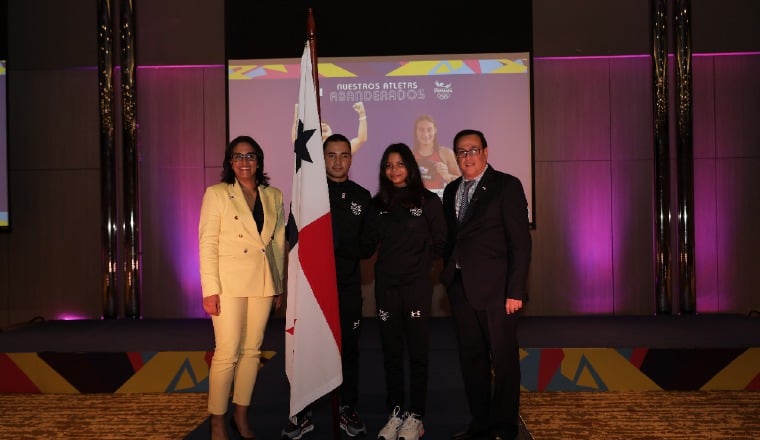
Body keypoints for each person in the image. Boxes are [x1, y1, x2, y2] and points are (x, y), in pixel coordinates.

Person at [280, 133, 377, 439]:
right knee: (308, 350)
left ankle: (347, 407)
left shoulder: (362, 196)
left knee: (348, 351)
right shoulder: (307, 195)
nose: (338, 161)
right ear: (322, 159)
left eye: (344, 155)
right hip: (311, 290)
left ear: (351, 158)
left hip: (346, 288)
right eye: (331, 155)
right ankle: (303, 411)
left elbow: (368, 246)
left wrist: (335, 245)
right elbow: (293, 239)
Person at [440, 129, 532, 440]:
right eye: (461, 152)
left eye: (473, 150)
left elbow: (521, 243)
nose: (467, 156)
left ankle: (504, 428)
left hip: (499, 293)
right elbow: (453, 238)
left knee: (504, 363)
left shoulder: (506, 186)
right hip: (462, 290)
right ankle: (480, 425)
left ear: (486, 152)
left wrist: (515, 291)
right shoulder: (452, 190)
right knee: (472, 362)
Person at [199, 135, 286, 440]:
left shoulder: (273, 195)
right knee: (227, 353)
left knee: (252, 352)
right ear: (230, 162)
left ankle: (241, 415)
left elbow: (276, 243)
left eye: (250, 156)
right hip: (228, 284)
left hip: (262, 282)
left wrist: (278, 285)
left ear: (259, 161)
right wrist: (210, 289)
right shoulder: (218, 194)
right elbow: (207, 243)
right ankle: (217, 422)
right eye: (238, 157)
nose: (244, 162)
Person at [372, 143, 446, 440]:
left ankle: (416, 415)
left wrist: (423, 268)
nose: (394, 170)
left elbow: (441, 241)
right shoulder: (378, 204)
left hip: (416, 288)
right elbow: (366, 242)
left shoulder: (428, 201)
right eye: (389, 165)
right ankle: (396, 412)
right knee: (391, 353)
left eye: (400, 164)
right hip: (386, 289)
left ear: (411, 168)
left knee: (417, 353)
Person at [291, 101, 368, 154]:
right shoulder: (309, 150)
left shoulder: (340, 149)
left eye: (326, 126)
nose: (324, 126)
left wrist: (362, 115)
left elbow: (361, 139)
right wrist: (297, 112)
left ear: (332, 132)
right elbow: (296, 138)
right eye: (320, 127)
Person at [412, 114, 460, 195]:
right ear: (416, 131)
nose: (425, 134)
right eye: (421, 130)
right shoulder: (408, 155)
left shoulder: (446, 153)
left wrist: (447, 176)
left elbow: (461, 184)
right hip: (416, 201)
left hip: (439, 202)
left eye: (429, 129)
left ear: (435, 130)